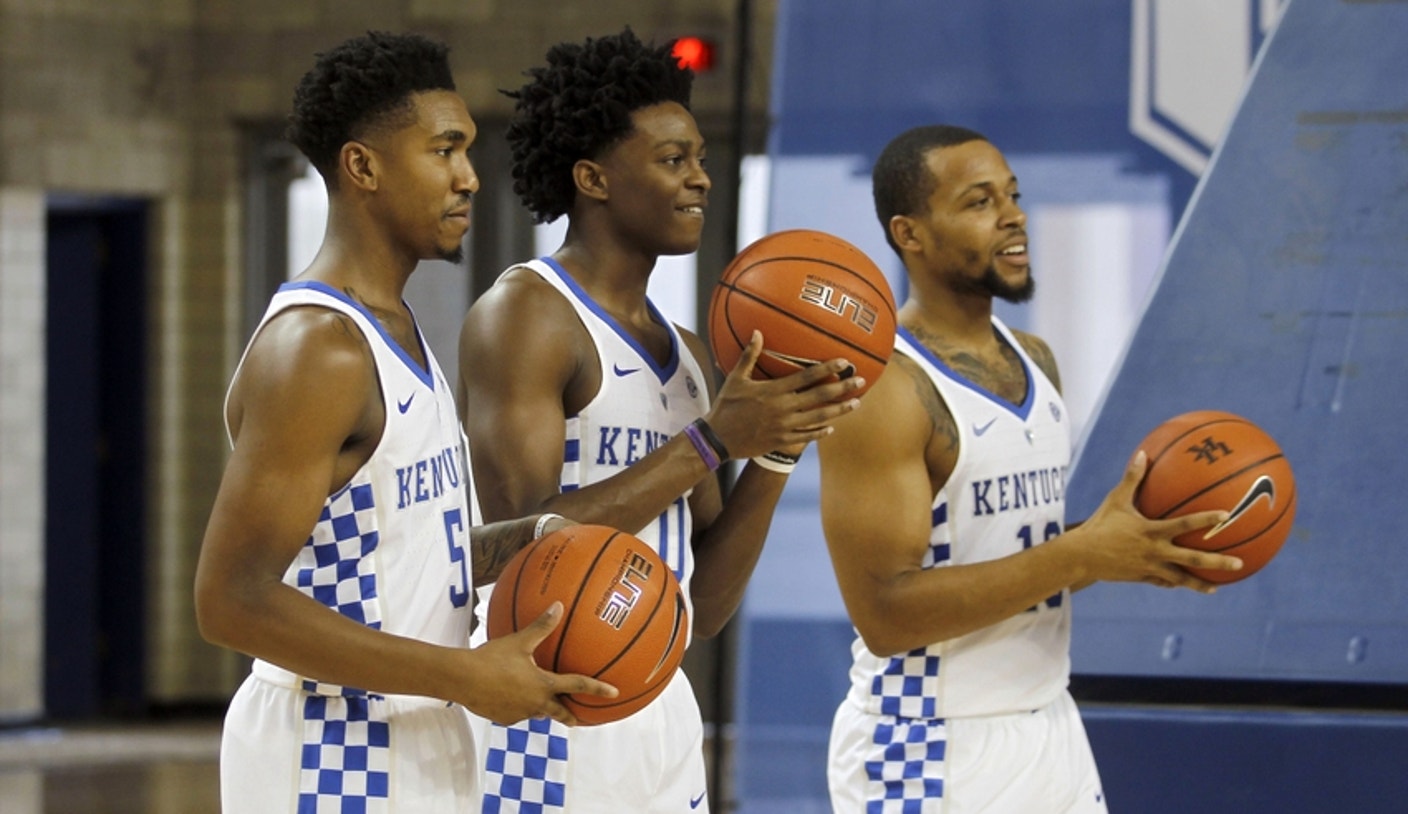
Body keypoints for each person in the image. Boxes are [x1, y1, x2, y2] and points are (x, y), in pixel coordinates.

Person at [193, 31, 615, 813]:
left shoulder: (399, 328)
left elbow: (392, 553)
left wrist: (528, 541)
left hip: (419, 728)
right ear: (363, 167)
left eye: (468, 151)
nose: (469, 179)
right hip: (330, 750)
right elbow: (230, 600)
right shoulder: (318, 349)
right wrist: (465, 676)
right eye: (445, 151)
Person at [456, 27, 863, 813]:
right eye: (673, 159)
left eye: (701, 158)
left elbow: (704, 605)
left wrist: (779, 447)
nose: (700, 179)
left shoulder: (682, 352)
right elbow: (510, 545)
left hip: (662, 706)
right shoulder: (527, 315)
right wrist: (711, 443)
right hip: (546, 704)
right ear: (593, 178)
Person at [817, 124, 1244, 812]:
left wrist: (1124, 547)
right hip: (929, 744)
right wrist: (1081, 554)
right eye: (979, 202)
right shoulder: (882, 386)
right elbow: (886, 614)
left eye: (1013, 196)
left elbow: (1010, 546)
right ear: (910, 233)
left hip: (1049, 722)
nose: (1014, 216)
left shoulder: (1035, 358)